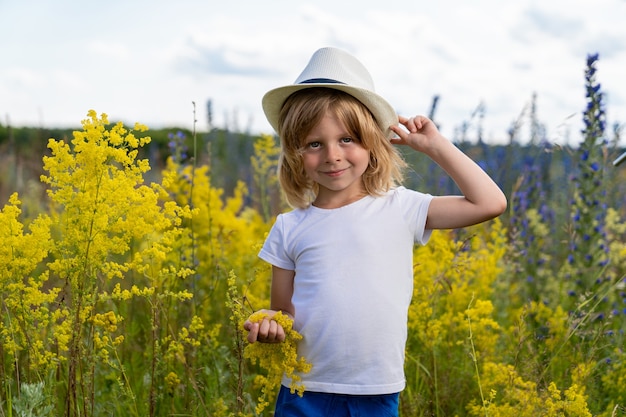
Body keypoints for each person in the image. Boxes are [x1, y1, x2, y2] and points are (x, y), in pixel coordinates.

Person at [244, 47, 507, 417]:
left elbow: (490, 203)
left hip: (375, 392)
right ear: (295, 154)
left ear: (373, 142)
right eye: (314, 144)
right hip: (303, 391)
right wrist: (269, 323)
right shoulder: (289, 227)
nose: (332, 155)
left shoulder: (400, 207)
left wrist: (435, 146)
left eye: (347, 139)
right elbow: (284, 312)